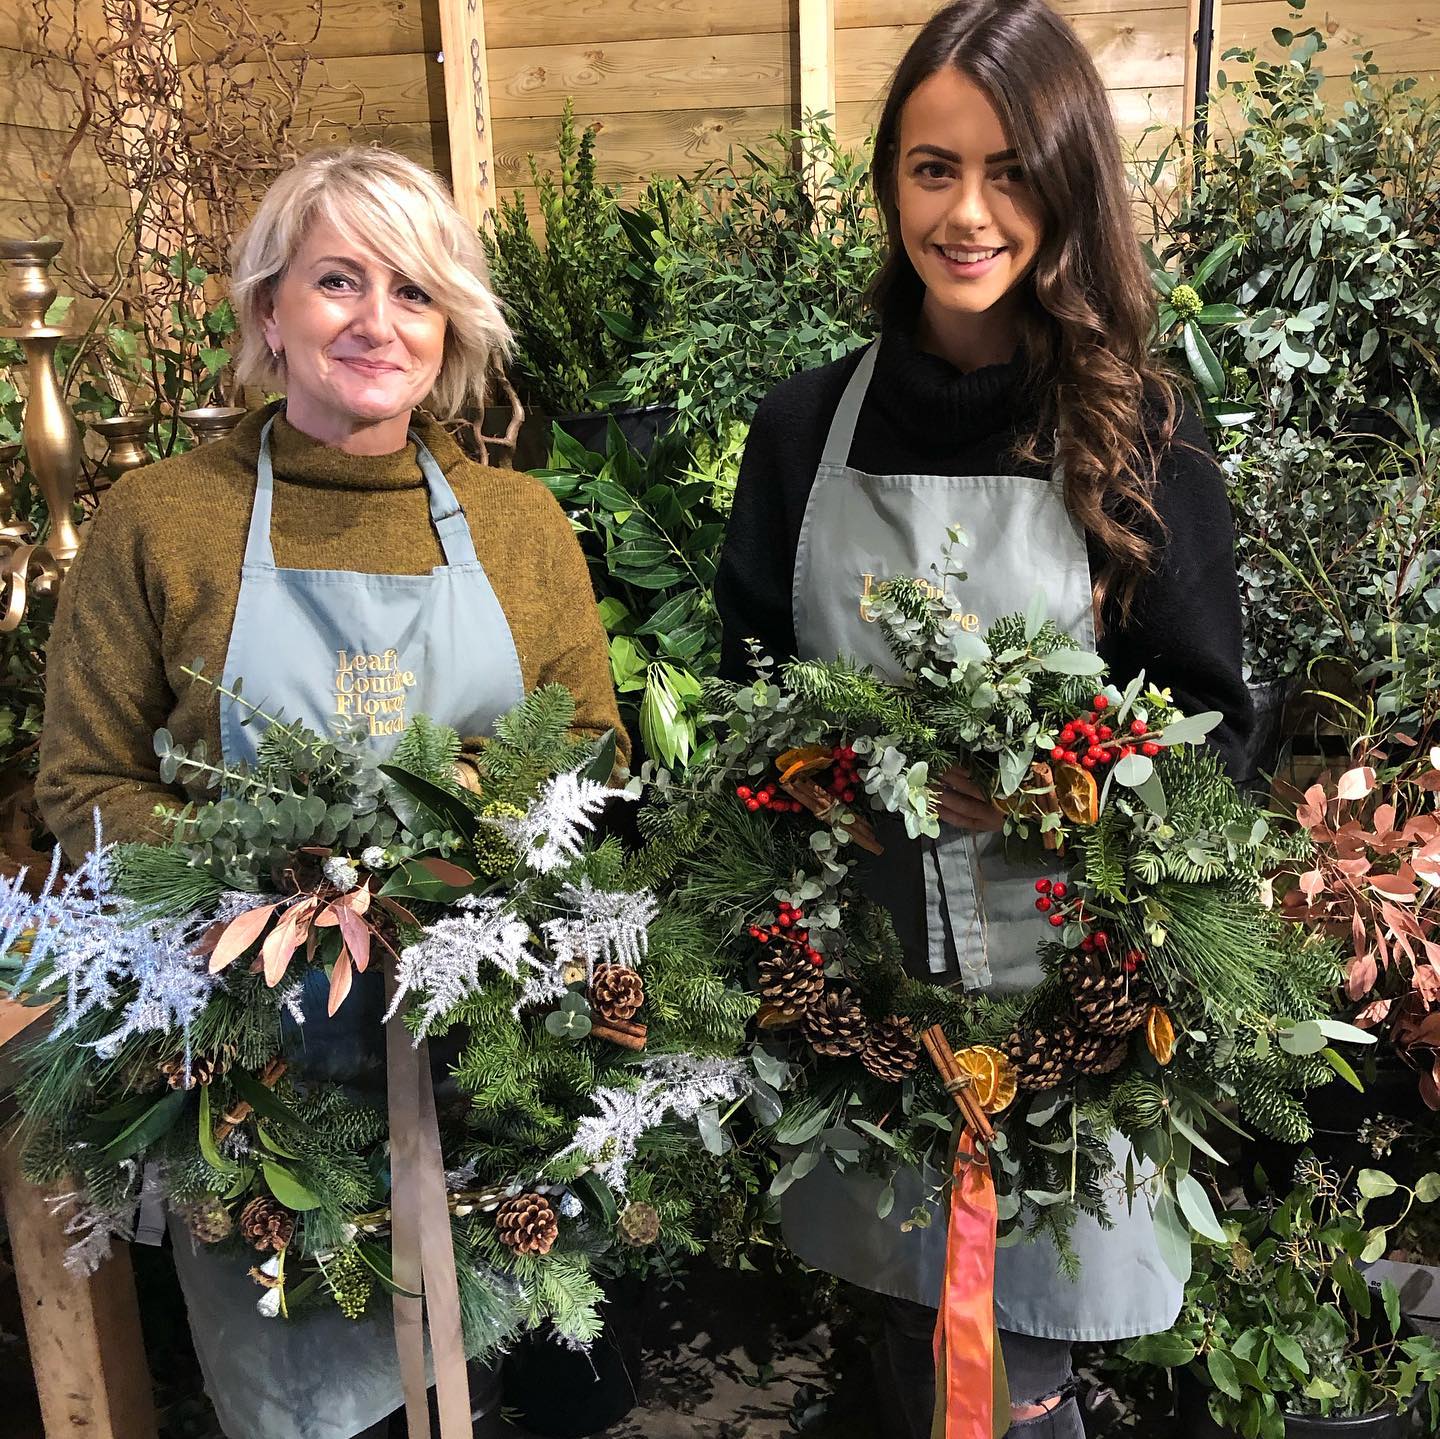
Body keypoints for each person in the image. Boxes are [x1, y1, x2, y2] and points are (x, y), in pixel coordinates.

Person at [714, 3, 1253, 1436]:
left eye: (1012, 172)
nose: (967, 213)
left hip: (1071, 1007)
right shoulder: (802, 431)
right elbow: (751, 690)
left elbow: (1215, 733)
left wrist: (1046, 791)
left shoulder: (1143, 441)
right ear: (889, 182)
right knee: (908, 1332)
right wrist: (819, 777)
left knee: (1023, 1368)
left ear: (1070, 187)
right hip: (863, 997)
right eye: (932, 167)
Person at [36, 146, 624, 1439]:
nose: (377, 321)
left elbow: (590, 745)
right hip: (253, 1058)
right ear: (269, 311)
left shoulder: (520, 525)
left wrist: (448, 839)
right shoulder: (161, 521)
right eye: (338, 281)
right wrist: (282, 876)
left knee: (507, 1349)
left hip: (486, 1036)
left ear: (450, 327)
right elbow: (81, 785)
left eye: (414, 291)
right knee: (312, 1394)